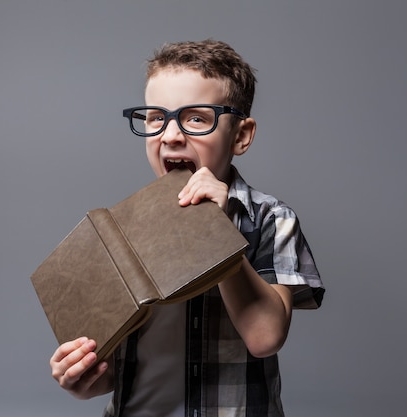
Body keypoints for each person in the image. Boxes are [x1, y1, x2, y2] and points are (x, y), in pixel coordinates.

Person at [49, 39, 325, 417]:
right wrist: (84, 378)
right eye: (156, 118)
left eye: (196, 118)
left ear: (241, 136)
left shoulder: (270, 219)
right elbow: (114, 370)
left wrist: (217, 228)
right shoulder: (122, 232)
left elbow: (265, 337)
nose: (171, 135)